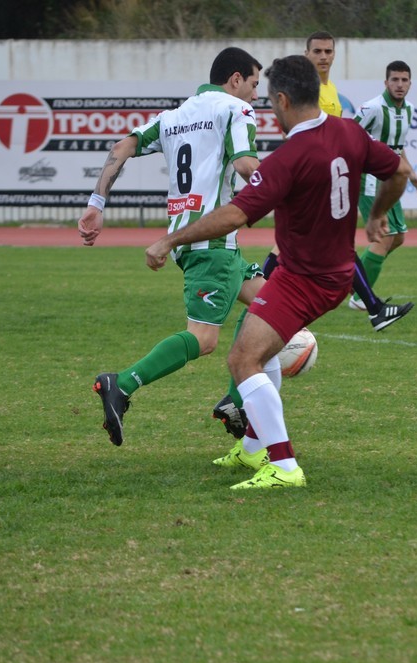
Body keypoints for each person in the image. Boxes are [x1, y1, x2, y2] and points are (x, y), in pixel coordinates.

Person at [145, 55, 412, 489]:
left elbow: (233, 215)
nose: (269, 109)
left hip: (306, 280)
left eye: (270, 101)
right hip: (329, 272)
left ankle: (285, 467)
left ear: (283, 100)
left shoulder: (288, 158)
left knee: (242, 359)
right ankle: (252, 447)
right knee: (259, 350)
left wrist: (170, 240)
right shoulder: (348, 132)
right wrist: (378, 213)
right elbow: (398, 171)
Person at [78, 47, 282, 451]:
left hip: (202, 243)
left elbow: (121, 147)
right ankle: (122, 383)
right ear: (235, 79)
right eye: (254, 84)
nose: (257, 94)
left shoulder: (173, 116)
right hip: (211, 243)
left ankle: (235, 400)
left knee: (274, 308)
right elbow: (246, 166)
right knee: (203, 339)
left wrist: (96, 204)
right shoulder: (236, 109)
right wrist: (291, 190)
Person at [259, 31, 413, 332]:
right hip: (313, 177)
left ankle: (374, 308)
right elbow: (297, 133)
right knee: (323, 245)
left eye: (328, 51)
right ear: (306, 54)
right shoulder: (307, 91)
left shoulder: (330, 90)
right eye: (317, 51)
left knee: (316, 245)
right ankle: (373, 307)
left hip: (330, 176)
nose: (324, 56)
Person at [350, 60, 417, 310]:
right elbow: (348, 136)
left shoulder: (409, 110)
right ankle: (360, 298)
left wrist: (412, 175)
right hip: (369, 178)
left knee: (399, 237)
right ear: (386, 82)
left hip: (391, 178)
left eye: (404, 80)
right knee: (385, 236)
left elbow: (397, 147)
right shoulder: (372, 108)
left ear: (410, 84)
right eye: (395, 79)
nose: (399, 84)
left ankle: (355, 282)